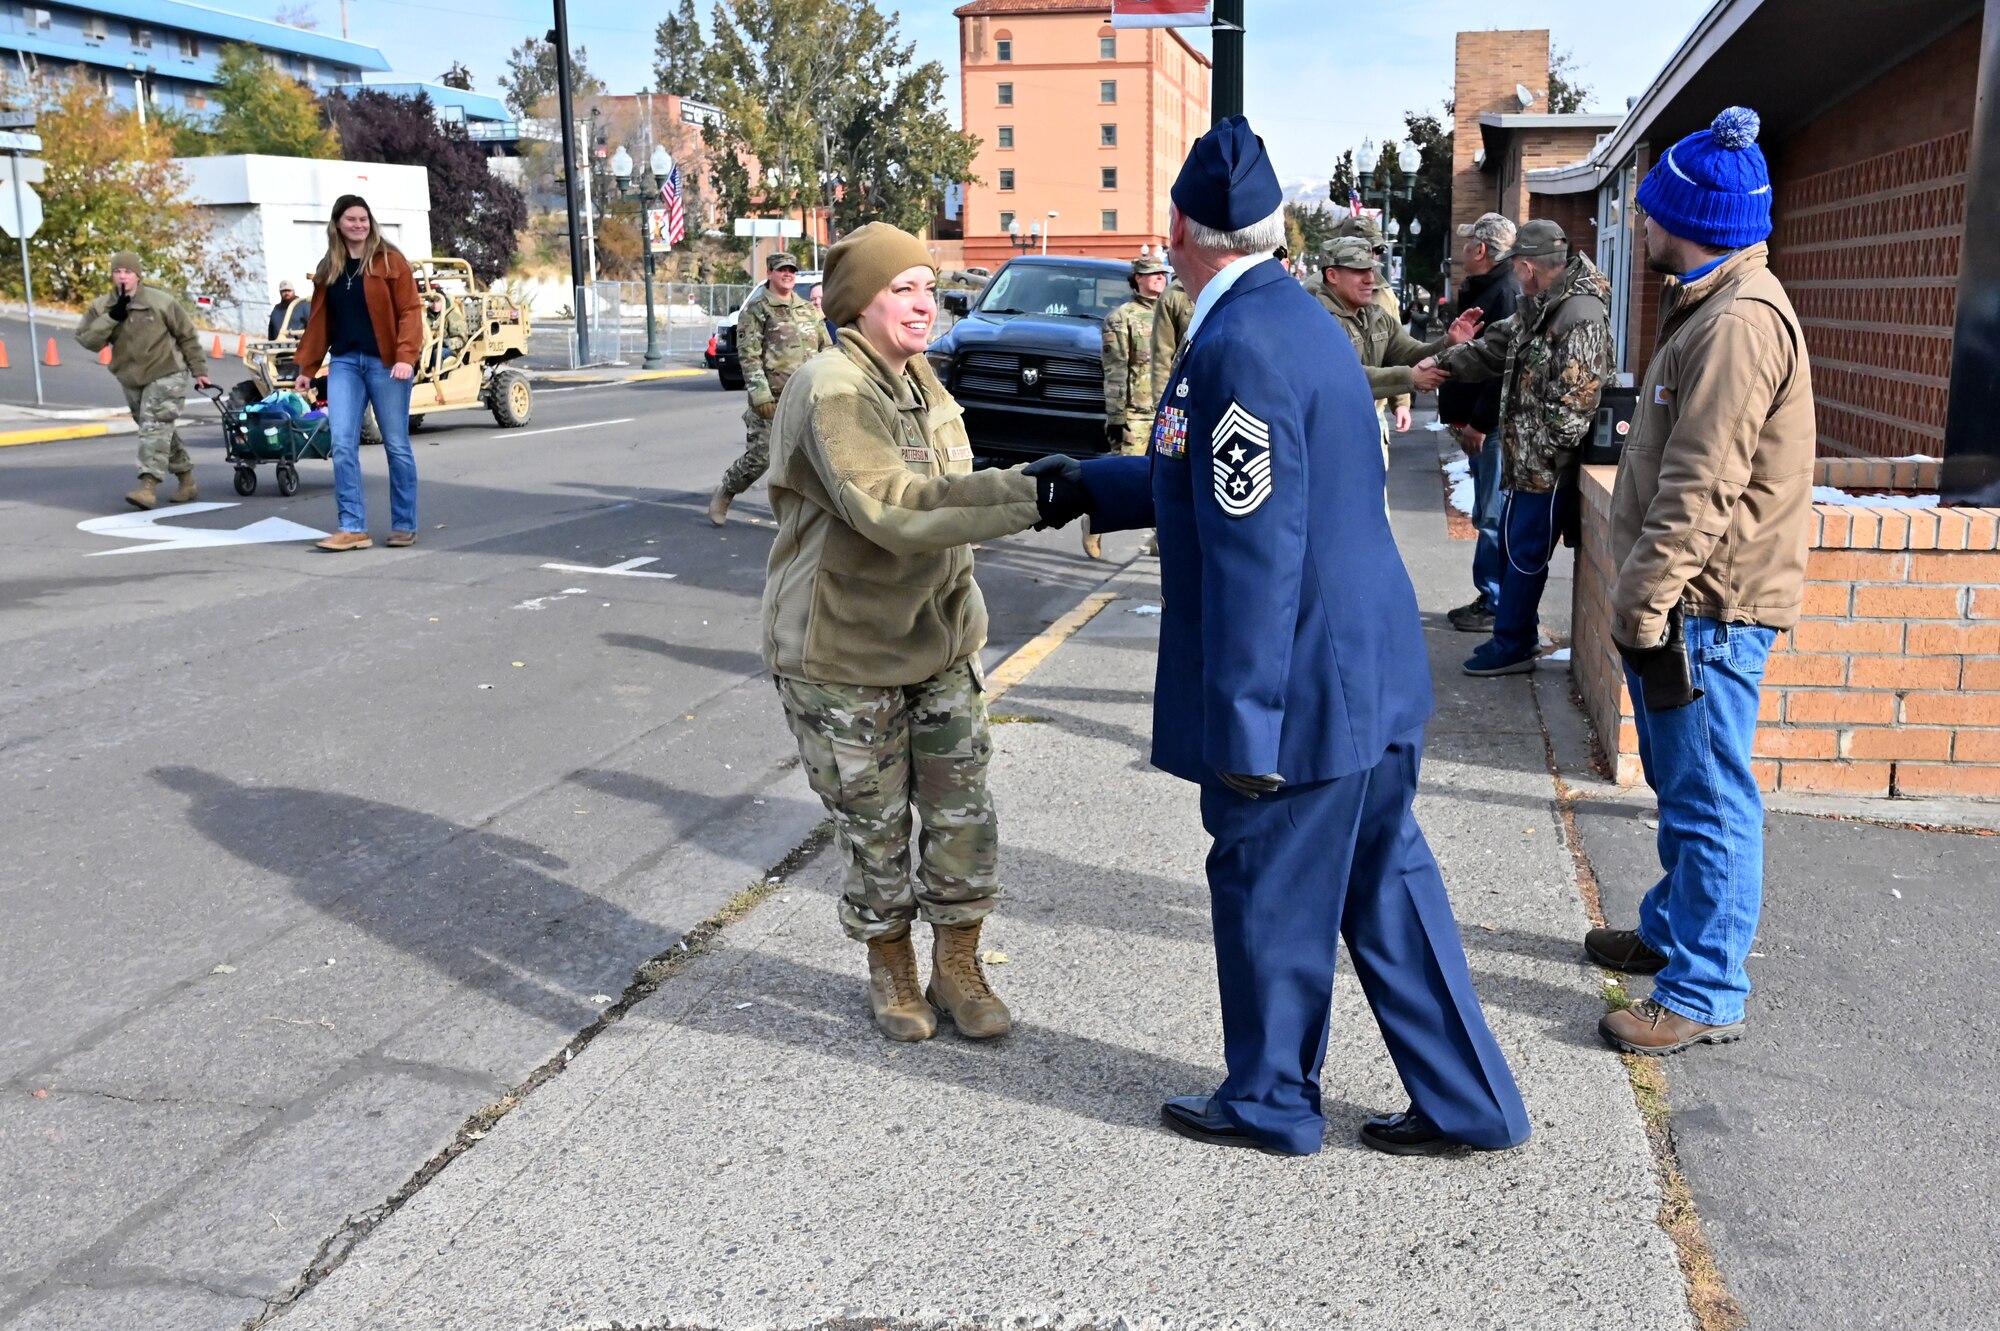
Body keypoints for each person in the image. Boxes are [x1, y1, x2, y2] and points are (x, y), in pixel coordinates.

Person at [1028, 116, 1530, 1158]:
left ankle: (1267, 1099)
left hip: (1299, 684)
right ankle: (1468, 1099)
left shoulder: (1238, 341)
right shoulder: (1293, 319)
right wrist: (1087, 483)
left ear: (1179, 225)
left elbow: (1258, 544)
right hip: (1368, 667)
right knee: (1383, 883)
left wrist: (1246, 728)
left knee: (1265, 880)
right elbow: (1226, 477)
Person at [762, 222, 1078, 1044]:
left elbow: (952, 482)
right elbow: (895, 506)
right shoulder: (832, 386)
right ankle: (893, 965)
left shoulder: (924, 381)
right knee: (873, 828)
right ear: (856, 302)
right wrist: (1031, 496)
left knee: (963, 815)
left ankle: (958, 963)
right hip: (844, 653)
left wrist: (1031, 480)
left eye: (927, 287)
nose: (921, 302)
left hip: (938, 638)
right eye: (901, 288)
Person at [1585, 108, 1815, 1057]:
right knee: (1688, 789)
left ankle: (1706, 988)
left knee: (1712, 799)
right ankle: (1676, 934)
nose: (1638, 224)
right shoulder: (1714, 305)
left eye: (1647, 210)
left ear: (1688, 216)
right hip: (1695, 599)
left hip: (1707, 606)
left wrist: (1642, 602)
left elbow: (1702, 483)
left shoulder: (1738, 324)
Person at [1430, 218, 1613, 677]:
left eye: (1517, 267)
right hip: (1528, 462)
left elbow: (1575, 405)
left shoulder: (1579, 313)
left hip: (1548, 467)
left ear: (1529, 267)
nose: (1514, 274)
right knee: (1515, 551)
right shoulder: (1540, 305)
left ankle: (1512, 644)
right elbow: (1492, 348)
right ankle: (1514, 636)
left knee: (1524, 557)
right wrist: (1437, 363)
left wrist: (1542, 450)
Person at [292, 194, 424, 552]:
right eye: (350, 219)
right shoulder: (329, 268)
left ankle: (404, 524)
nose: (358, 225)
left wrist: (405, 356)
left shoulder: (390, 262)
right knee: (341, 443)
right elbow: (319, 321)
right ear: (337, 224)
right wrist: (307, 367)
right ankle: (353, 528)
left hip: (386, 363)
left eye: (363, 219)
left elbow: (411, 311)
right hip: (345, 363)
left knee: (395, 444)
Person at [1309, 240, 1470, 468]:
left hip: (1368, 430)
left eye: (1371, 269)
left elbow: (1410, 352)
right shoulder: (1315, 318)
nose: (1370, 279)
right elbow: (1343, 378)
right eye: (1358, 271)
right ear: (1332, 275)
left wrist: (1448, 342)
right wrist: (1410, 378)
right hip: (1329, 439)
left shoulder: (1375, 316)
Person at [75, 251, 212, 511]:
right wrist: (112, 317)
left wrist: (199, 369)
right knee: (156, 428)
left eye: (127, 271)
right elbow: (87, 341)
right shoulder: (103, 305)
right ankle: (187, 479)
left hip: (166, 371)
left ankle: (147, 486)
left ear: (138, 275)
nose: (122, 276)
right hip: (131, 376)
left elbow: (187, 336)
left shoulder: (161, 302)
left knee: (154, 426)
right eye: (118, 271)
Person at [1438, 213, 1521, 635]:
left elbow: (1502, 369)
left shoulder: (1504, 293)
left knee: (1491, 515)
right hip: (1480, 422)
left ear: (1482, 250)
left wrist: (1480, 422)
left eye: (1469, 242)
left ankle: (1495, 603)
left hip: (1490, 428)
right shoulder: (1491, 289)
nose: (1463, 250)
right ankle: (1491, 597)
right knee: (1487, 512)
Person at [709, 252, 832, 525]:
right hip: (772, 398)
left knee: (810, 456)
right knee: (761, 456)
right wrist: (760, 394)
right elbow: (749, 356)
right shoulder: (756, 310)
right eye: (781, 270)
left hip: (806, 397)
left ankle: (803, 515)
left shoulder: (807, 310)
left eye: (791, 270)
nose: (787, 274)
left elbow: (827, 350)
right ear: (770, 273)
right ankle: (727, 490)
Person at [1084, 250, 1167, 558]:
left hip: (1167, 411)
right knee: (1125, 477)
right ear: (1138, 280)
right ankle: (1095, 521)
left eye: (1164, 274)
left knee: (1169, 477)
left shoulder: (1172, 313)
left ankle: (1163, 540)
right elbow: (1116, 371)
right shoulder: (1122, 318)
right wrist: (1117, 416)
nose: (1161, 278)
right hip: (1136, 412)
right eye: (1154, 274)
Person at [1333, 214, 1414, 435]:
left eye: (1376, 251)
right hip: (1332, 411)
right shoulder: (1318, 290)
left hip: (1371, 410)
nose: (1374, 257)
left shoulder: (1382, 292)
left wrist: (1401, 402)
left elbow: (1395, 349)